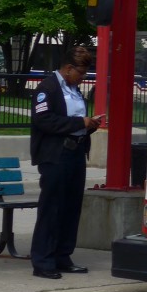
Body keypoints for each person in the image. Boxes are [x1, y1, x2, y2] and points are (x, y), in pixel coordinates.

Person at [29, 46, 102, 279]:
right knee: (52, 208)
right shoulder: (47, 88)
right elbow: (44, 120)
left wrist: (89, 125)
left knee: (71, 207)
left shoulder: (73, 90)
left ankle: (63, 256)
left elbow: (75, 120)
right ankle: (43, 260)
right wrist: (80, 122)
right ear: (68, 68)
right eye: (80, 74)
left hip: (75, 152)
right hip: (55, 155)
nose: (82, 79)